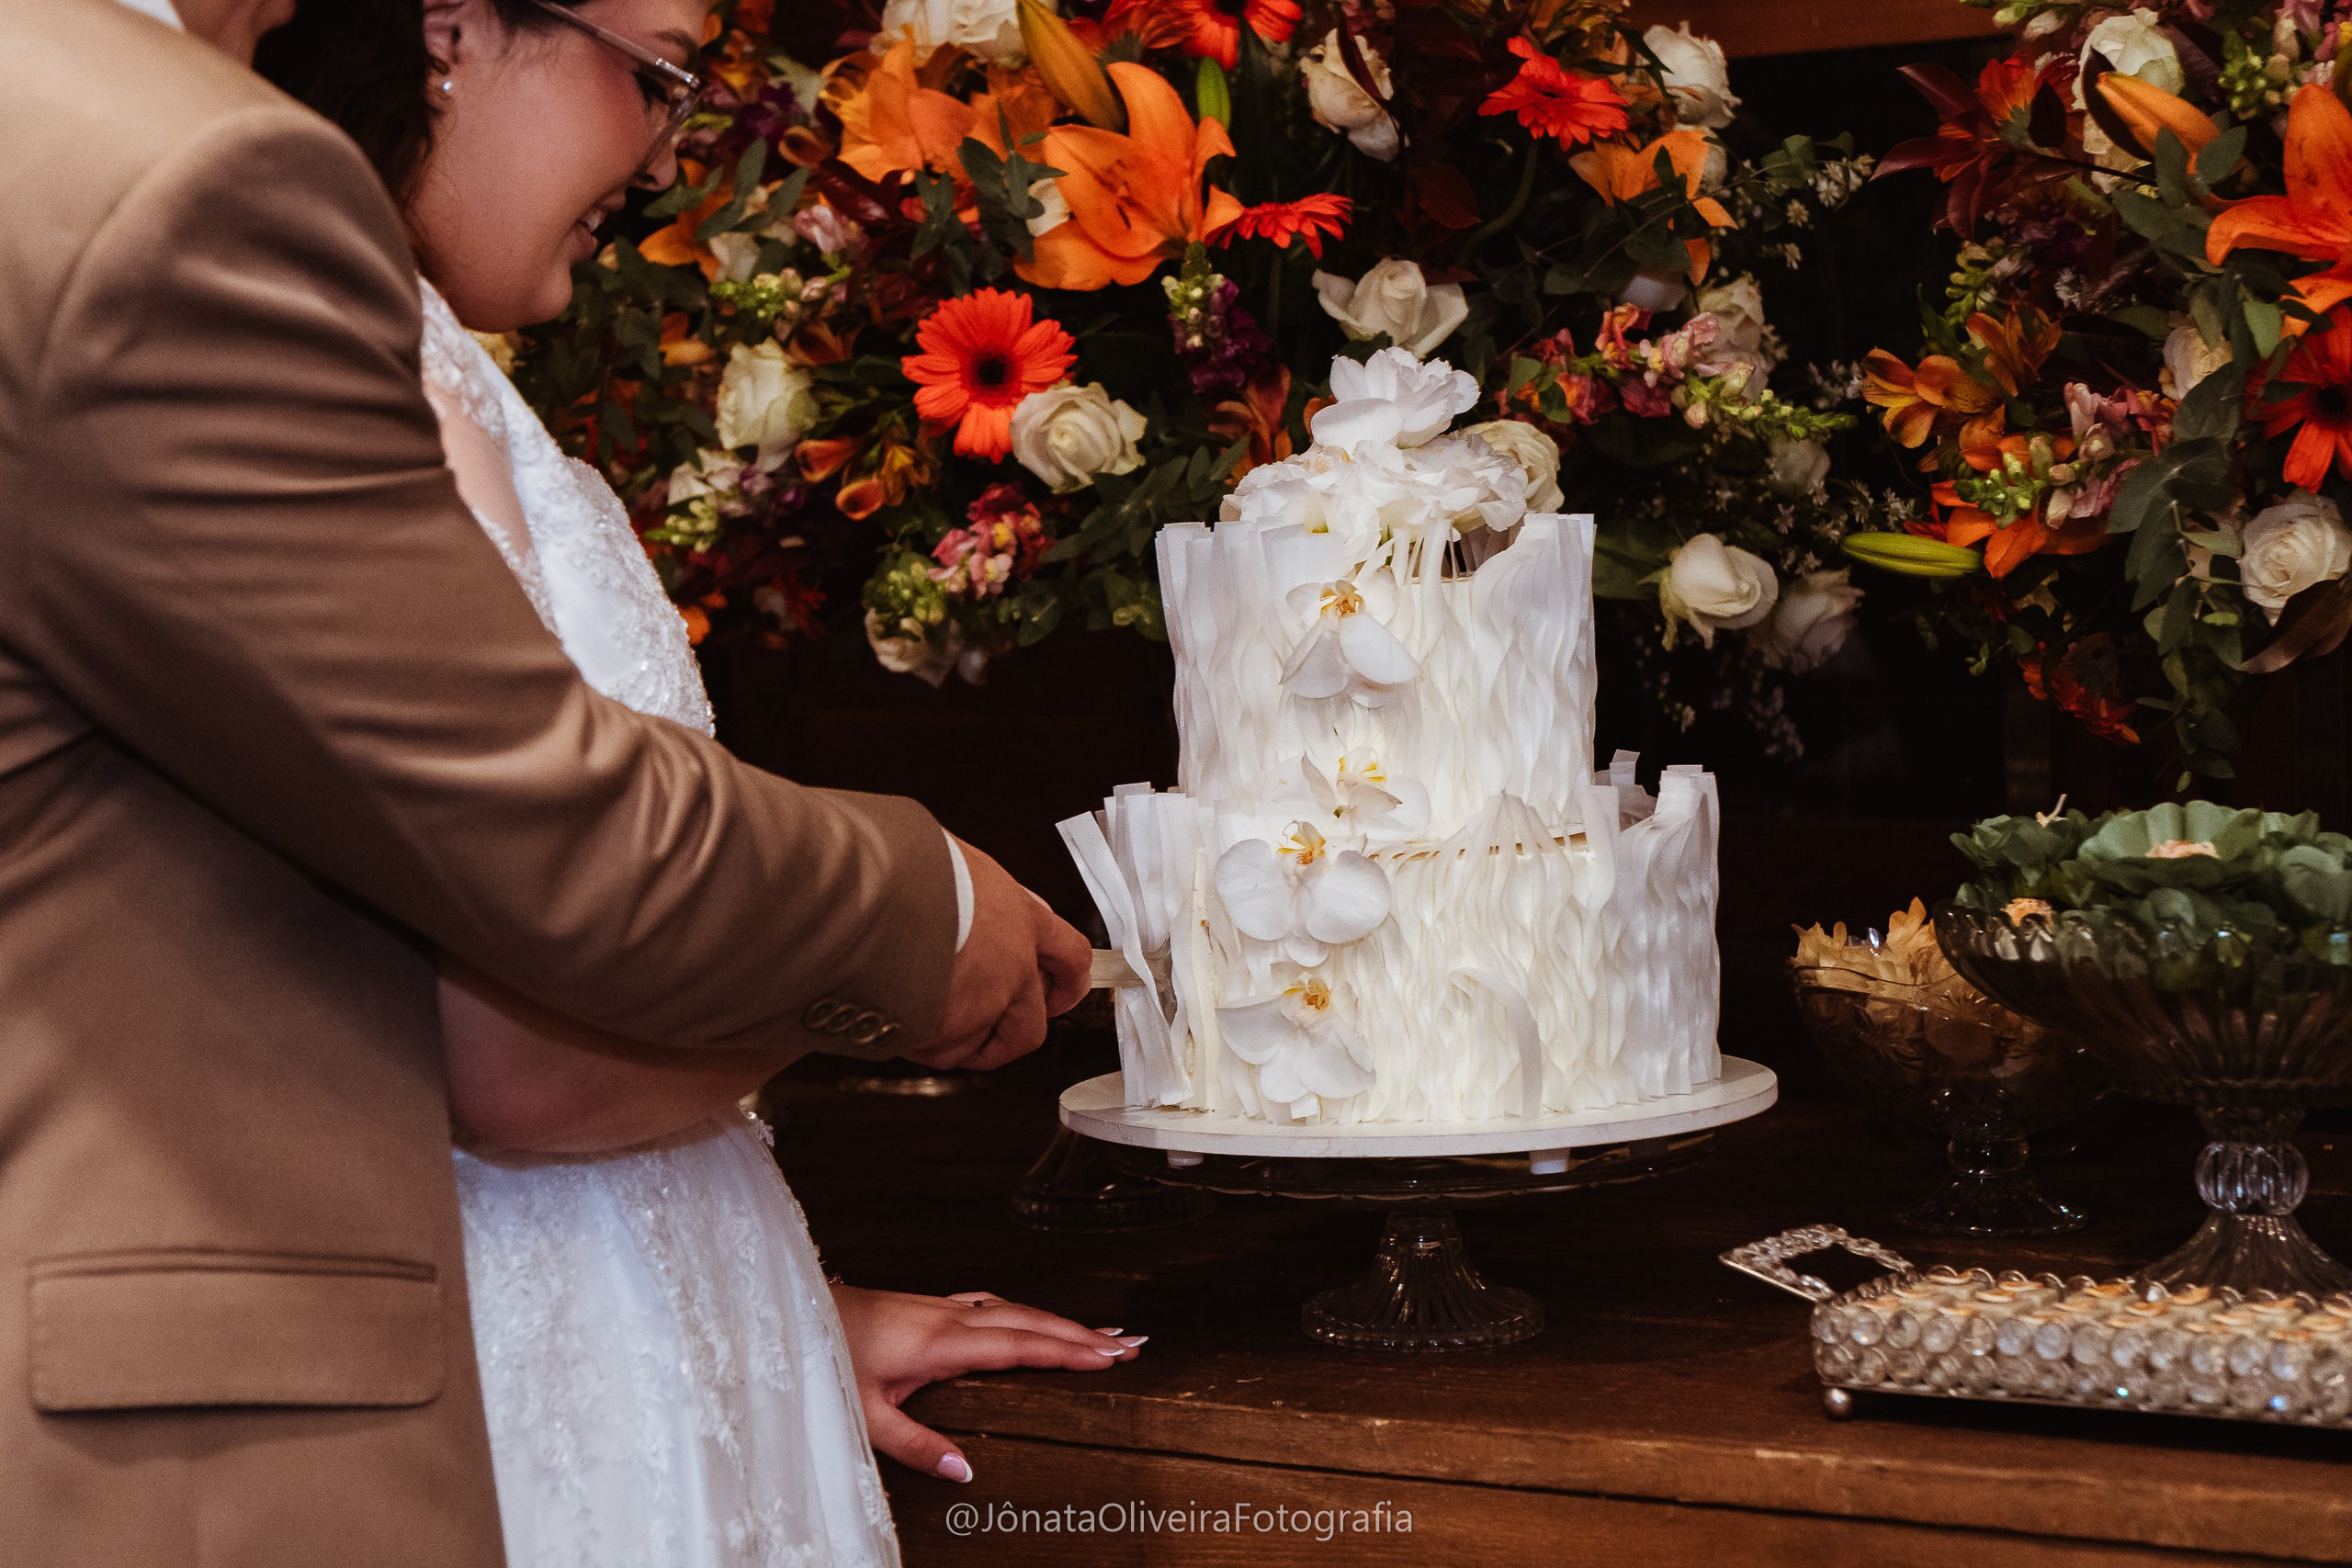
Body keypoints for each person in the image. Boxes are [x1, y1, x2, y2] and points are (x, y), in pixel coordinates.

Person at [0, 0, 1091, 1562]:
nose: (665, 155)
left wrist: (768, 1304)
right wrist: (929, 919)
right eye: (658, 75)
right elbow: (525, 951)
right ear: (454, 29)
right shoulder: (187, 190)